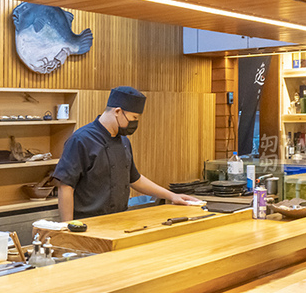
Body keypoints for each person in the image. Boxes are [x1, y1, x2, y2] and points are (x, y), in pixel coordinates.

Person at [53, 86, 202, 221]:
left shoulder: (123, 141)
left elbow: (135, 179)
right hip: (88, 223)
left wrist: (172, 196)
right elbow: (65, 186)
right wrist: (68, 228)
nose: (135, 123)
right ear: (118, 112)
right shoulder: (81, 140)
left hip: (120, 220)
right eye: (134, 118)